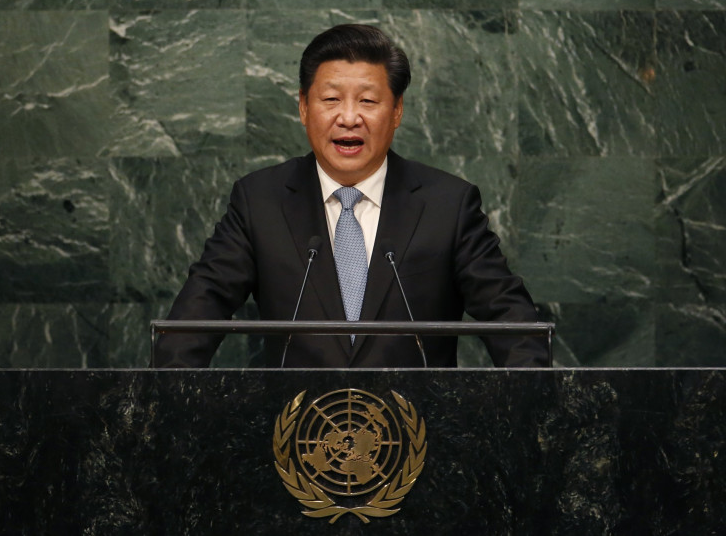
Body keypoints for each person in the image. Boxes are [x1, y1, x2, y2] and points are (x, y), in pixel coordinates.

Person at [154, 24, 547, 368]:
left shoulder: (448, 204)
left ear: (396, 111)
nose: (348, 117)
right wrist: (161, 406)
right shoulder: (260, 201)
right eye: (330, 99)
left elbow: (512, 322)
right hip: (295, 440)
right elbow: (197, 315)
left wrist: (536, 410)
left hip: (418, 441)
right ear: (304, 108)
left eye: (368, 101)